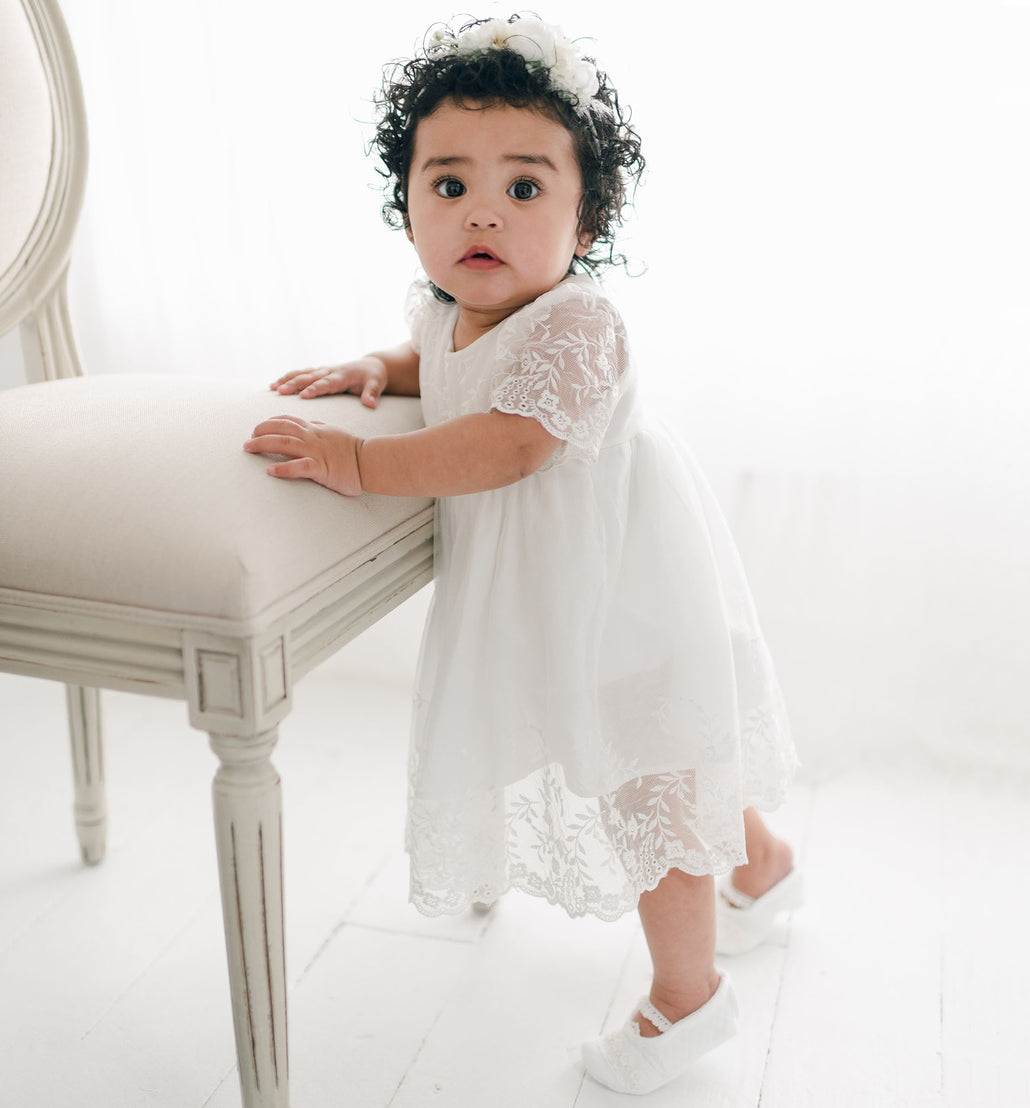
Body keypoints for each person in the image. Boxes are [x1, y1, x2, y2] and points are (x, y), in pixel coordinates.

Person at [244, 14, 801, 1094]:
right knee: (665, 763)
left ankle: (687, 1001)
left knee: (651, 790)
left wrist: (353, 467)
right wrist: (374, 367)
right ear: (404, 201)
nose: (482, 211)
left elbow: (504, 442)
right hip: (559, 602)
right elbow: (438, 359)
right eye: (448, 186)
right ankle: (765, 864)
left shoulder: (582, 326)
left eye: (525, 187)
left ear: (587, 214)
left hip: (626, 602)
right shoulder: (454, 308)